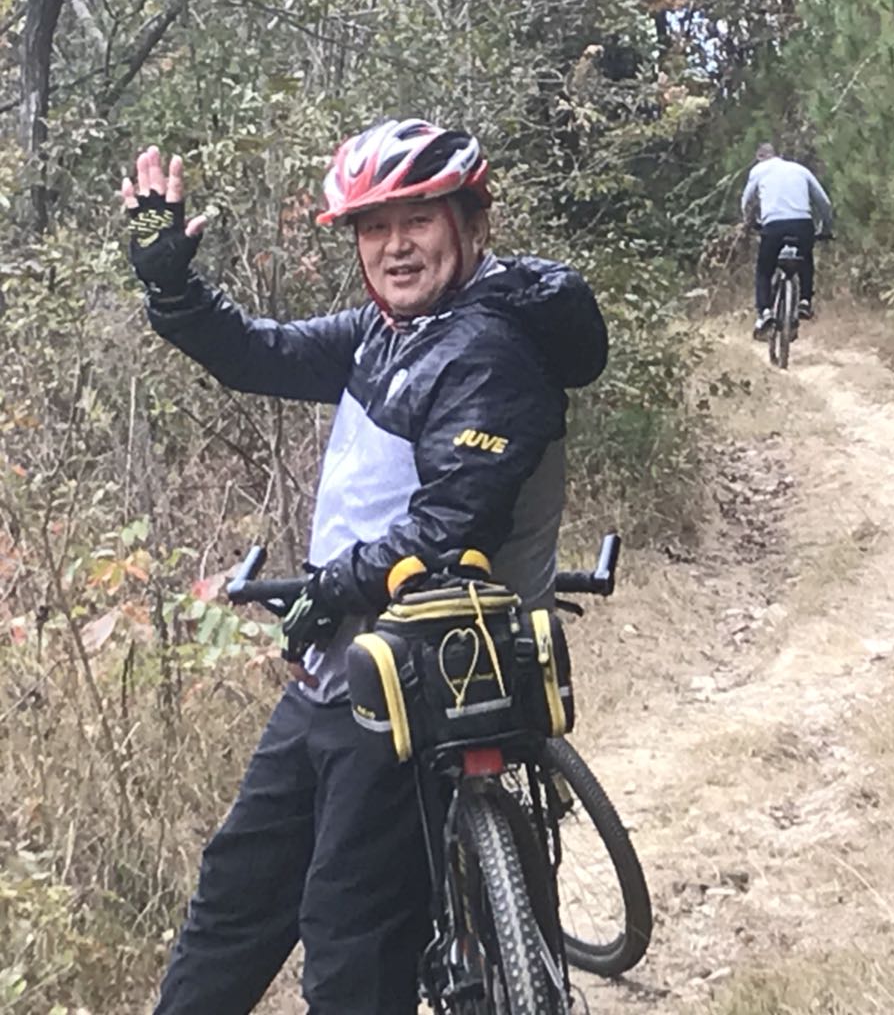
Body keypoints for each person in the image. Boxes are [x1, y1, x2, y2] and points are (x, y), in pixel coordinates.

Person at [120, 117, 607, 1014]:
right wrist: (174, 286)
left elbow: (445, 528)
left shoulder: (490, 351)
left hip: (421, 677)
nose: (393, 246)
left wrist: (327, 589)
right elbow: (257, 353)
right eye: (373, 228)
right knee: (235, 898)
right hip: (344, 668)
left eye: (416, 220)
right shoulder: (388, 332)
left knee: (351, 937)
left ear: (470, 223)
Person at [739, 142, 833, 338]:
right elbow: (824, 202)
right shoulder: (800, 170)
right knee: (805, 258)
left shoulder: (759, 170)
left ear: (759, 157)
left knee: (764, 270)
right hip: (802, 224)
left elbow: (746, 201)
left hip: (773, 226)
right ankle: (805, 301)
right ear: (777, 155)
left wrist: (751, 222)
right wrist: (826, 228)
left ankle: (764, 312)